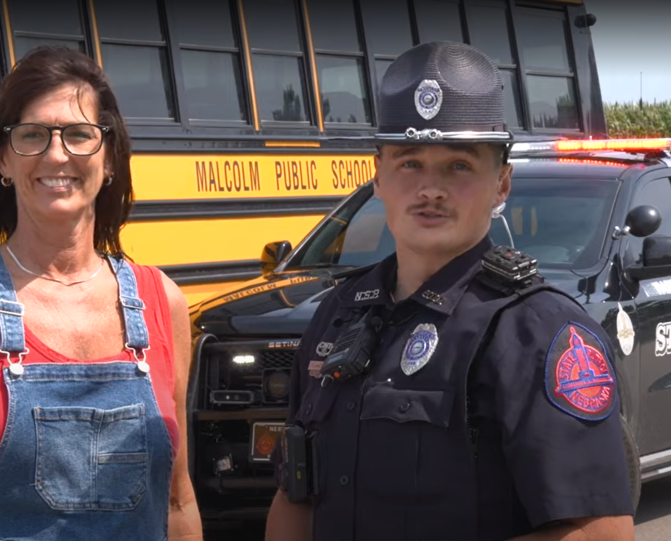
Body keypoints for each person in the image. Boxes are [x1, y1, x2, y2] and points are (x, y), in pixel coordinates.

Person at [264, 41, 635, 541]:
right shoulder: (337, 313)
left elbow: (600, 533)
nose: (430, 188)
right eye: (409, 162)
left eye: (458, 166)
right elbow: (297, 499)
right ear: (378, 177)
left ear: (501, 183)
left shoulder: (539, 331)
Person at [0, 46, 202, 541]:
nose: (56, 154)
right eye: (32, 135)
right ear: (5, 160)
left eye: (78, 135)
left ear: (109, 157)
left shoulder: (164, 302)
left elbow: (177, 502)